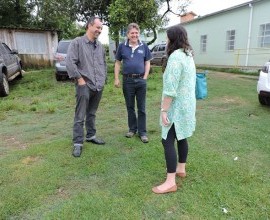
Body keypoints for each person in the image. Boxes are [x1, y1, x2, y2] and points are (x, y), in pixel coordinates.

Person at [152, 24, 196, 194]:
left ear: (173, 39)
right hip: (187, 105)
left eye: (167, 37)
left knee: (167, 140)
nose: (166, 40)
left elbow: (171, 88)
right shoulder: (188, 54)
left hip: (176, 107)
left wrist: (164, 110)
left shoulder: (176, 57)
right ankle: (181, 168)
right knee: (182, 136)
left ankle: (170, 182)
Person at [66, 17, 107, 157]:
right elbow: (70, 62)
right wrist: (79, 79)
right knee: (80, 115)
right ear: (89, 26)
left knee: (92, 113)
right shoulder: (77, 43)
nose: (99, 30)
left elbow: (103, 64)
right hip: (84, 85)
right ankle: (78, 143)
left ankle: (91, 135)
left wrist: (103, 79)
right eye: (98, 27)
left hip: (98, 86)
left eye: (101, 28)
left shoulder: (100, 46)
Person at [114, 23, 152, 143]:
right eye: (132, 33)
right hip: (127, 81)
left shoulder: (144, 46)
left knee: (141, 108)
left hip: (141, 80)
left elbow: (147, 62)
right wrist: (116, 78)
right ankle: (132, 129)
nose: (134, 35)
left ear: (138, 34)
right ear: (128, 34)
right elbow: (118, 63)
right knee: (130, 107)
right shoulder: (122, 46)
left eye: (136, 33)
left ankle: (142, 132)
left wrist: (145, 77)